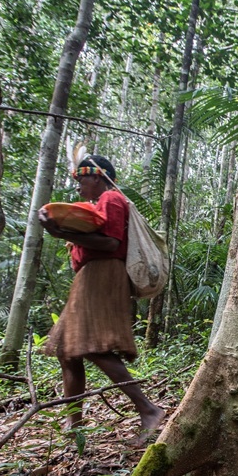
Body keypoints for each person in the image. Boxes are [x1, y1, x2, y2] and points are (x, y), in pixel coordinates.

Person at [39, 155, 164, 443]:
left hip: (103, 275)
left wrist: (58, 232)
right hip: (90, 277)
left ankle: (148, 409)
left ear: (97, 176)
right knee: (67, 351)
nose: (79, 185)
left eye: (81, 178)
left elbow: (111, 244)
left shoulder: (111, 199)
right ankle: (75, 426)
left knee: (92, 347)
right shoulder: (96, 209)